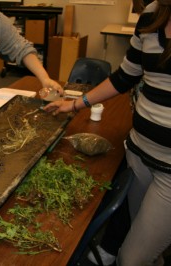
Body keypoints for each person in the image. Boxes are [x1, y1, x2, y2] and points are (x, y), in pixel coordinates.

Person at [44, 1, 171, 265]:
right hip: (140, 154)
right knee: (145, 240)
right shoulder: (152, 14)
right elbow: (125, 76)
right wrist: (76, 104)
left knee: (131, 258)